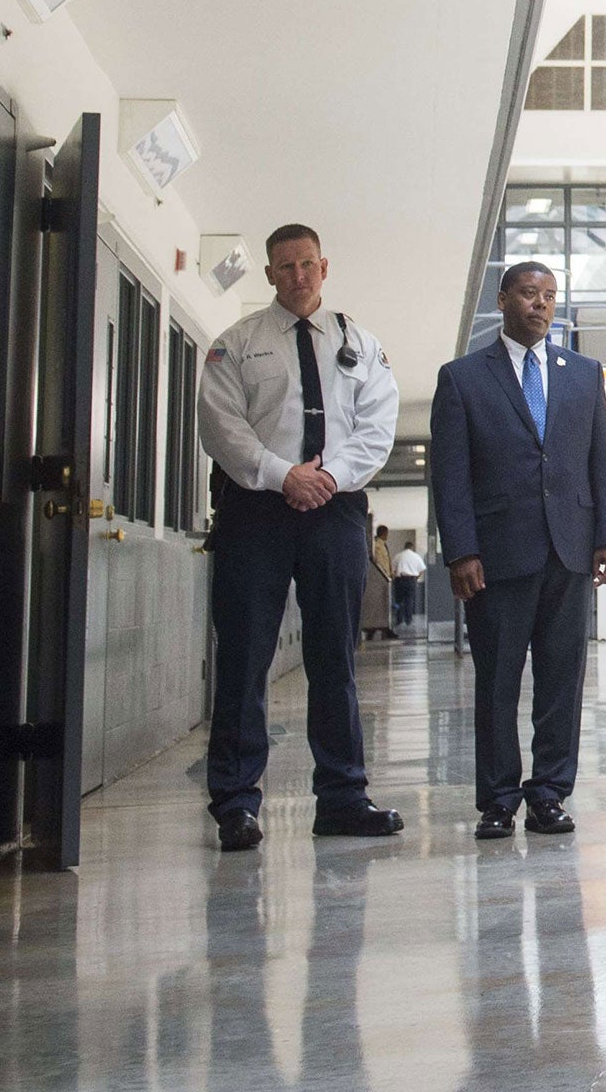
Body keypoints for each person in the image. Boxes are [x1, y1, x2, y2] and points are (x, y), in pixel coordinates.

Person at [197, 222, 403, 851]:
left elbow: (377, 428)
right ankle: (236, 804)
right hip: (255, 511)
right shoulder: (236, 345)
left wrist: (326, 479)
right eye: (284, 267)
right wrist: (282, 474)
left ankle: (342, 797)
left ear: (325, 266)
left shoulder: (361, 345)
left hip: (335, 510)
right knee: (243, 659)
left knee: (334, 658)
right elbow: (222, 426)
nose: (298, 275)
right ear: (267, 274)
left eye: (307, 263)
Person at [429, 261, 606, 840]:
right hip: (497, 558)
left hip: (569, 553)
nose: (540, 304)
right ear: (503, 299)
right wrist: (461, 550)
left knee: (562, 681)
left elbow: (601, 462)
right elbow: (451, 475)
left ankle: (549, 794)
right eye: (528, 294)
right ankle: (496, 800)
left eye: (549, 296)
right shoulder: (462, 378)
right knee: (497, 682)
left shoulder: (583, 374)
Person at [363, 522, 395, 640]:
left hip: (385, 578)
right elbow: (379, 561)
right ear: (383, 533)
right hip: (380, 578)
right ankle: (377, 628)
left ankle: (385, 627)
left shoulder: (383, 545)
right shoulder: (378, 545)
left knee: (385, 605)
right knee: (378, 605)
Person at [394, 540, 427, 628]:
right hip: (411, 580)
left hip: (399, 580)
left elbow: (393, 569)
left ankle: (399, 619)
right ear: (412, 547)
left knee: (399, 600)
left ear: (404, 547)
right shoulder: (416, 556)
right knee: (409, 600)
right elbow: (422, 569)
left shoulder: (398, 556)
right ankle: (408, 619)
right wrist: (416, 578)